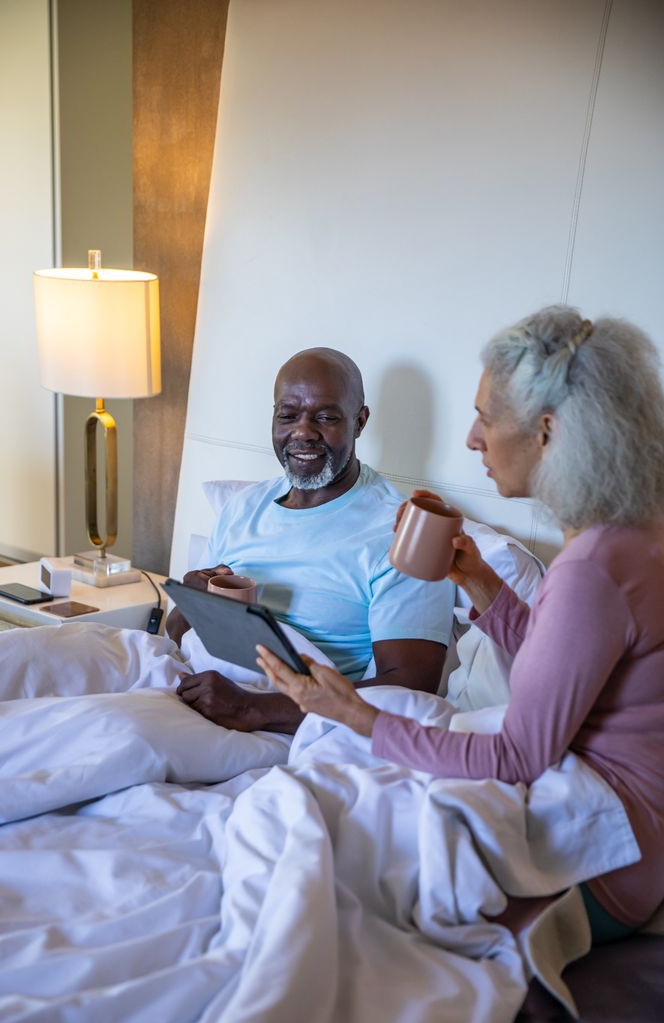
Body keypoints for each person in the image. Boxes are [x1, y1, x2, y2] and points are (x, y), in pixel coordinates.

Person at [258, 307, 664, 940]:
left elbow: (515, 756)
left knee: (338, 863)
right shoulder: (630, 534)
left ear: (547, 433)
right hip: (630, 824)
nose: (474, 439)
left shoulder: (592, 568)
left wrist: (355, 715)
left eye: (486, 417)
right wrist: (476, 579)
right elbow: (564, 672)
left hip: (610, 856)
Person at [171, 346, 455, 734]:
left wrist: (252, 709)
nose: (303, 432)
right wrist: (192, 601)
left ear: (360, 421)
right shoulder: (244, 508)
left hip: (296, 727)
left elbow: (410, 689)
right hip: (202, 689)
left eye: (326, 417)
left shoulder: (403, 532)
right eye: (287, 415)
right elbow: (176, 634)